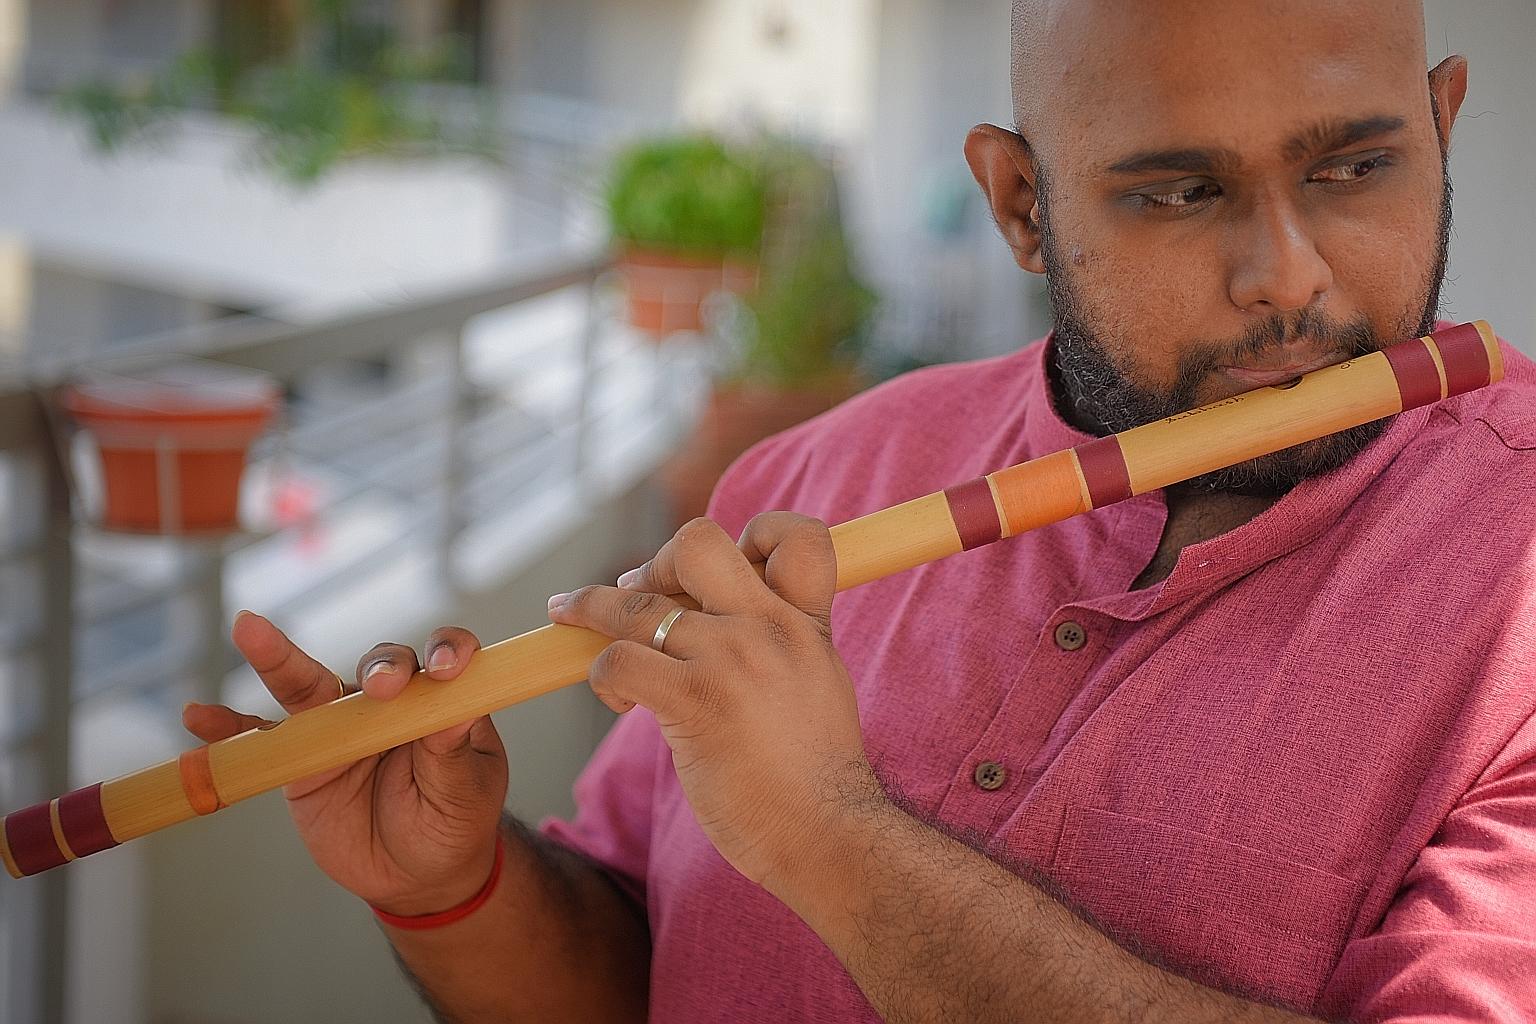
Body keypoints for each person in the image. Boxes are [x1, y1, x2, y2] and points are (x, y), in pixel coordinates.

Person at [185, 0, 1536, 1020]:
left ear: (1443, 124)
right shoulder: (815, 477)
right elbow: (639, 966)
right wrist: (450, 885)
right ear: (1020, 203)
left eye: (1357, 168)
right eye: (1180, 192)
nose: (1288, 279)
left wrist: (827, 838)